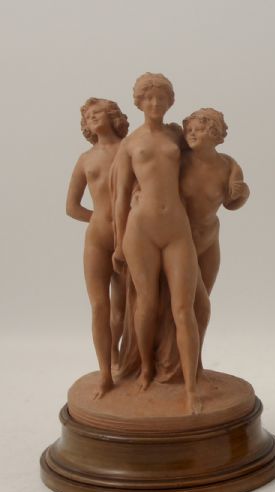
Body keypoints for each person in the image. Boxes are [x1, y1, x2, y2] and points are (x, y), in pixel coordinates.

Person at [112, 73, 202, 413]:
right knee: (146, 303)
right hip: (141, 230)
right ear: (138, 102)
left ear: (170, 101)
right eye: (148, 98)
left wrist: (232, 182)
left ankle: (191, 387)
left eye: (161, 97)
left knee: (183, 308)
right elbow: (121, 195)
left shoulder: (178, 135)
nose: (155, 103)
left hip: (177, 228)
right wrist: (118, 242)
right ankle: (146, 368)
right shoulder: (130, 143)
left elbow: (204, 159)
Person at [65, 98, 129, 399]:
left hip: (129, 237)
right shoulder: (85, 159)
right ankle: (105, 372)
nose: (92, 117)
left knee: (124, 307)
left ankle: (122, 358)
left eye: (97, 112)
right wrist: (101, 218)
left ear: (112, 116)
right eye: (88, 116)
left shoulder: (130, 149)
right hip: (97, 237)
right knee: (99, 306)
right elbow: (71, 207)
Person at [180, 108, 250, 294]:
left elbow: (230, 204)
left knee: (204, 294)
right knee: (182, 295)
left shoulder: (229, 166)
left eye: (198, 130)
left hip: (209, 236)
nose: (192, 134)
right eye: (189, 130)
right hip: (181, 238)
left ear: (214, 134)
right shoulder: (179, 163)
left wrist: (243, 194)